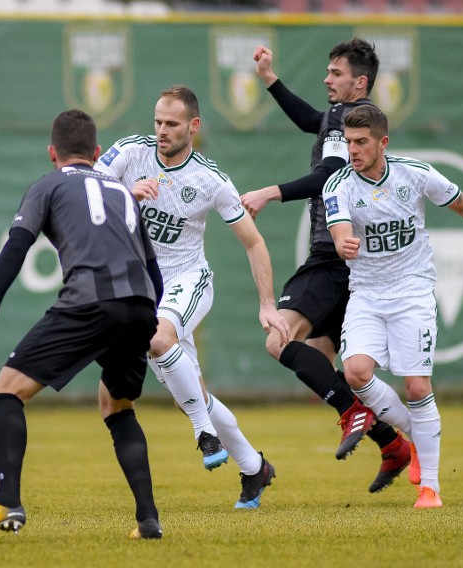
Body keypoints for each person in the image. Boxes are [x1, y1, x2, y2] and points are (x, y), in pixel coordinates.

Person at [0, 109, 165, 539]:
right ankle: (148, 520)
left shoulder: (47, 185)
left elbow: (16, 247)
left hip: (90, 301)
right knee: (118, 406)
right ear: (98, 153)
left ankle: (6, 502)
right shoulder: (122, 191)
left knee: (3, 395)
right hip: (141, 305)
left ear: (52, 153)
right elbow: (153, 268)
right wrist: (149, 318)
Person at [324, 104, 463, 508]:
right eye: (349, 142)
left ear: (382, 143)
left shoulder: (416, 174)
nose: (352, 150)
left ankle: (430, 488)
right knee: (355, 374)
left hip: (412, 291)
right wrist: (342, 243)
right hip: (367, 294)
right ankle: (415, 435)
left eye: (361, 143)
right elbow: (339, 229)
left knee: (416, 387)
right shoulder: (338, 184)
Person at [95, 85, 290, 509]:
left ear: (193, 126)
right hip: (142, 288)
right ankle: (254, 467)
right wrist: (127, 195)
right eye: (158, 122)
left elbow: (254, 243)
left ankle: (203, 433)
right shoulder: (129, 152)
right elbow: (88, 194)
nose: (162, 131)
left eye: (172, 123)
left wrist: (266, 304)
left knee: (158, 340)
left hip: (187, 280)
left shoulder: (210, 179)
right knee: (193, 391)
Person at [240, 38, 410, 493]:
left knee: (279, 341)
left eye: (335, 73)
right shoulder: (356, 121)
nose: (326, 79)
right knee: (320, 362)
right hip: (355, 261)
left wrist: (268, 192)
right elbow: (311, 122)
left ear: (360, 81)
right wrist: (271, 81)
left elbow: (327, 177)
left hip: (330, 255)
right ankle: (392, 444)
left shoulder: (345, 120)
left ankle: (358, 415)